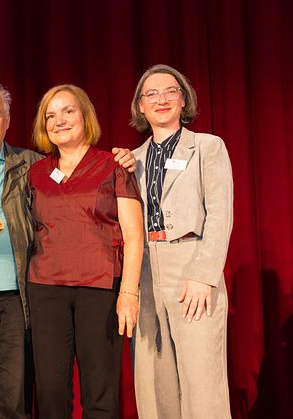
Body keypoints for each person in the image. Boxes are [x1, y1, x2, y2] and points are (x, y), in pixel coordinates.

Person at [0, 82, 136, 419]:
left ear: (7, 121)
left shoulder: (29, 165)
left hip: (20, 301)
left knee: (16, 404)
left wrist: (125, 157)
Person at [27, 84, 143, 418]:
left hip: (101, 290)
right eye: (50, 115)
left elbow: (135, 236)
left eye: (67, 111)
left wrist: (129, 293)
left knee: (100, 391)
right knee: (49, 392)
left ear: (84, 116)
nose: (59, 120)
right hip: (46, 290)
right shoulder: (35, 173)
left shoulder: (114, 165)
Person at [130, 64, 233, 418]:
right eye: (152, 94)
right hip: (145, 271)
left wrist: (204, 274)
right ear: (140, 106)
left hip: (191, 265)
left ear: (183, 98)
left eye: (170, 91)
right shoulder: (132, 161)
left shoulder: (207, 147)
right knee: (154, 385)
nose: (161, 99)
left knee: (201, 384)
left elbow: (220, 214)